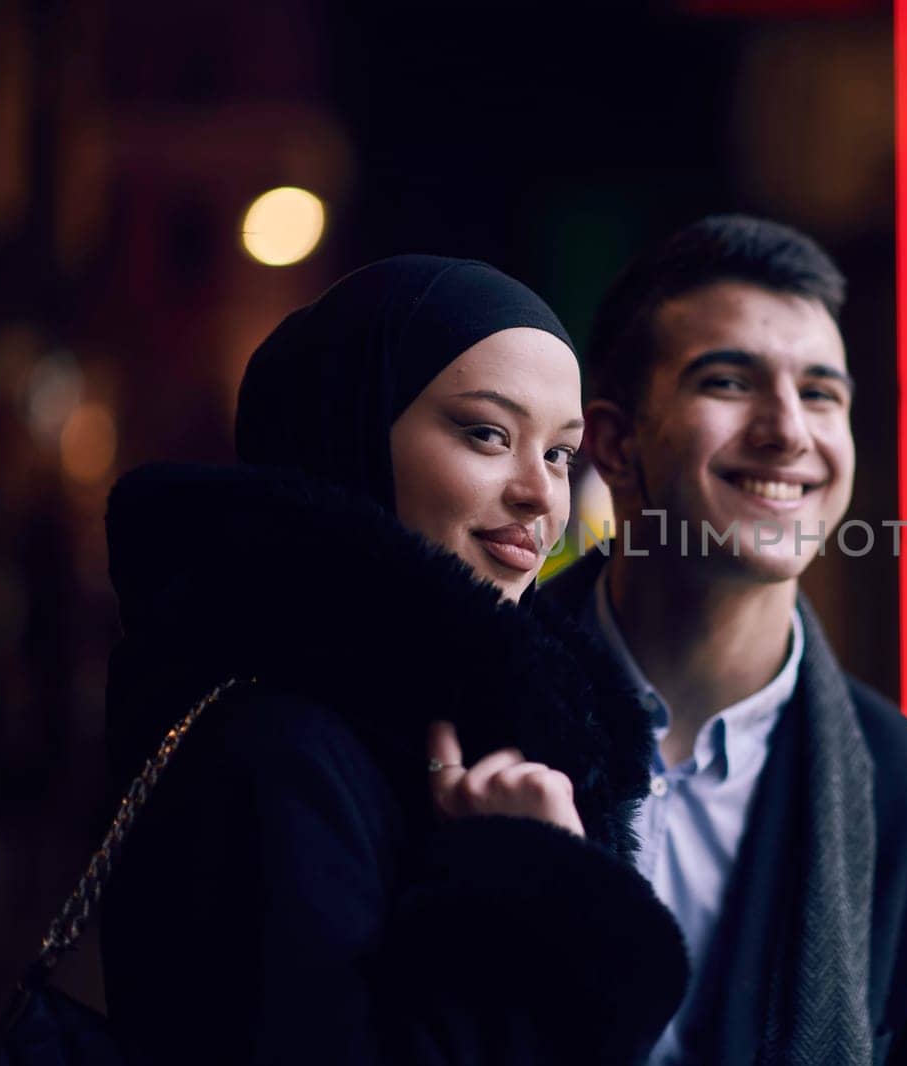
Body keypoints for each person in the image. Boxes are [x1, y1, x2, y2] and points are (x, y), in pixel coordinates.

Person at [98, 255, 687, 1065]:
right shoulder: (272, 749)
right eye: (488, 433)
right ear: (352, 429)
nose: (541, 495)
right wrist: (531, 886)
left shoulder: (460, 726)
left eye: (558, 453)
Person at [544, 215, 907, 1065]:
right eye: (729, 382)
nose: (789, 430)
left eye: (822, 393)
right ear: (615, 443)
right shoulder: (446, 719)